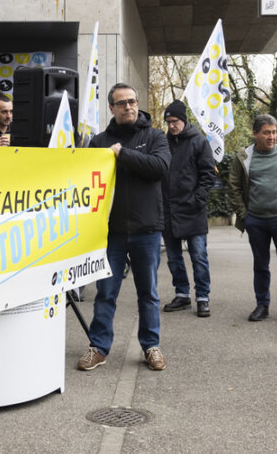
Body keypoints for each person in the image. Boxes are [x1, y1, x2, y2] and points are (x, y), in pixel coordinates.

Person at [77, 83, 171, 372]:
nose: (128, 106)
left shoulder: (155, 136)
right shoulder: (98, 141)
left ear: (137, 103)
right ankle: (99, 347)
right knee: (106, 292)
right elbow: (85, 181)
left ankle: (151, 346)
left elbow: (160, 167)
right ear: (112, 108)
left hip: (147, 229)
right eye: (121, 103)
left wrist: (123, 154)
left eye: (132, 101)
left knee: (149, 292)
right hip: (111, 232)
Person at [228, 114, 277, 325]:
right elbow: (234, 187)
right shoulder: (243, 157)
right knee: (261, 266)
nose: (271, 137)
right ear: (255, 134)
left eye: (274, 132)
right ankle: (262, 306)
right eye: (266, 133)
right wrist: (245, 216)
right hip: (256, 222)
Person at [160, 100, 217, 318]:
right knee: (174, 258)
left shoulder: (199, 141)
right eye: (168, 122)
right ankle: (182, 294)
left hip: (193, 210)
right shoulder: (163, 142)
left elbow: (208, 174)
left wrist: (197, 199)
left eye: (174, 121)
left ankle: (203, 297)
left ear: (183, 120)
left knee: (199, 257)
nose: (171, 125)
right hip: (170, 212)